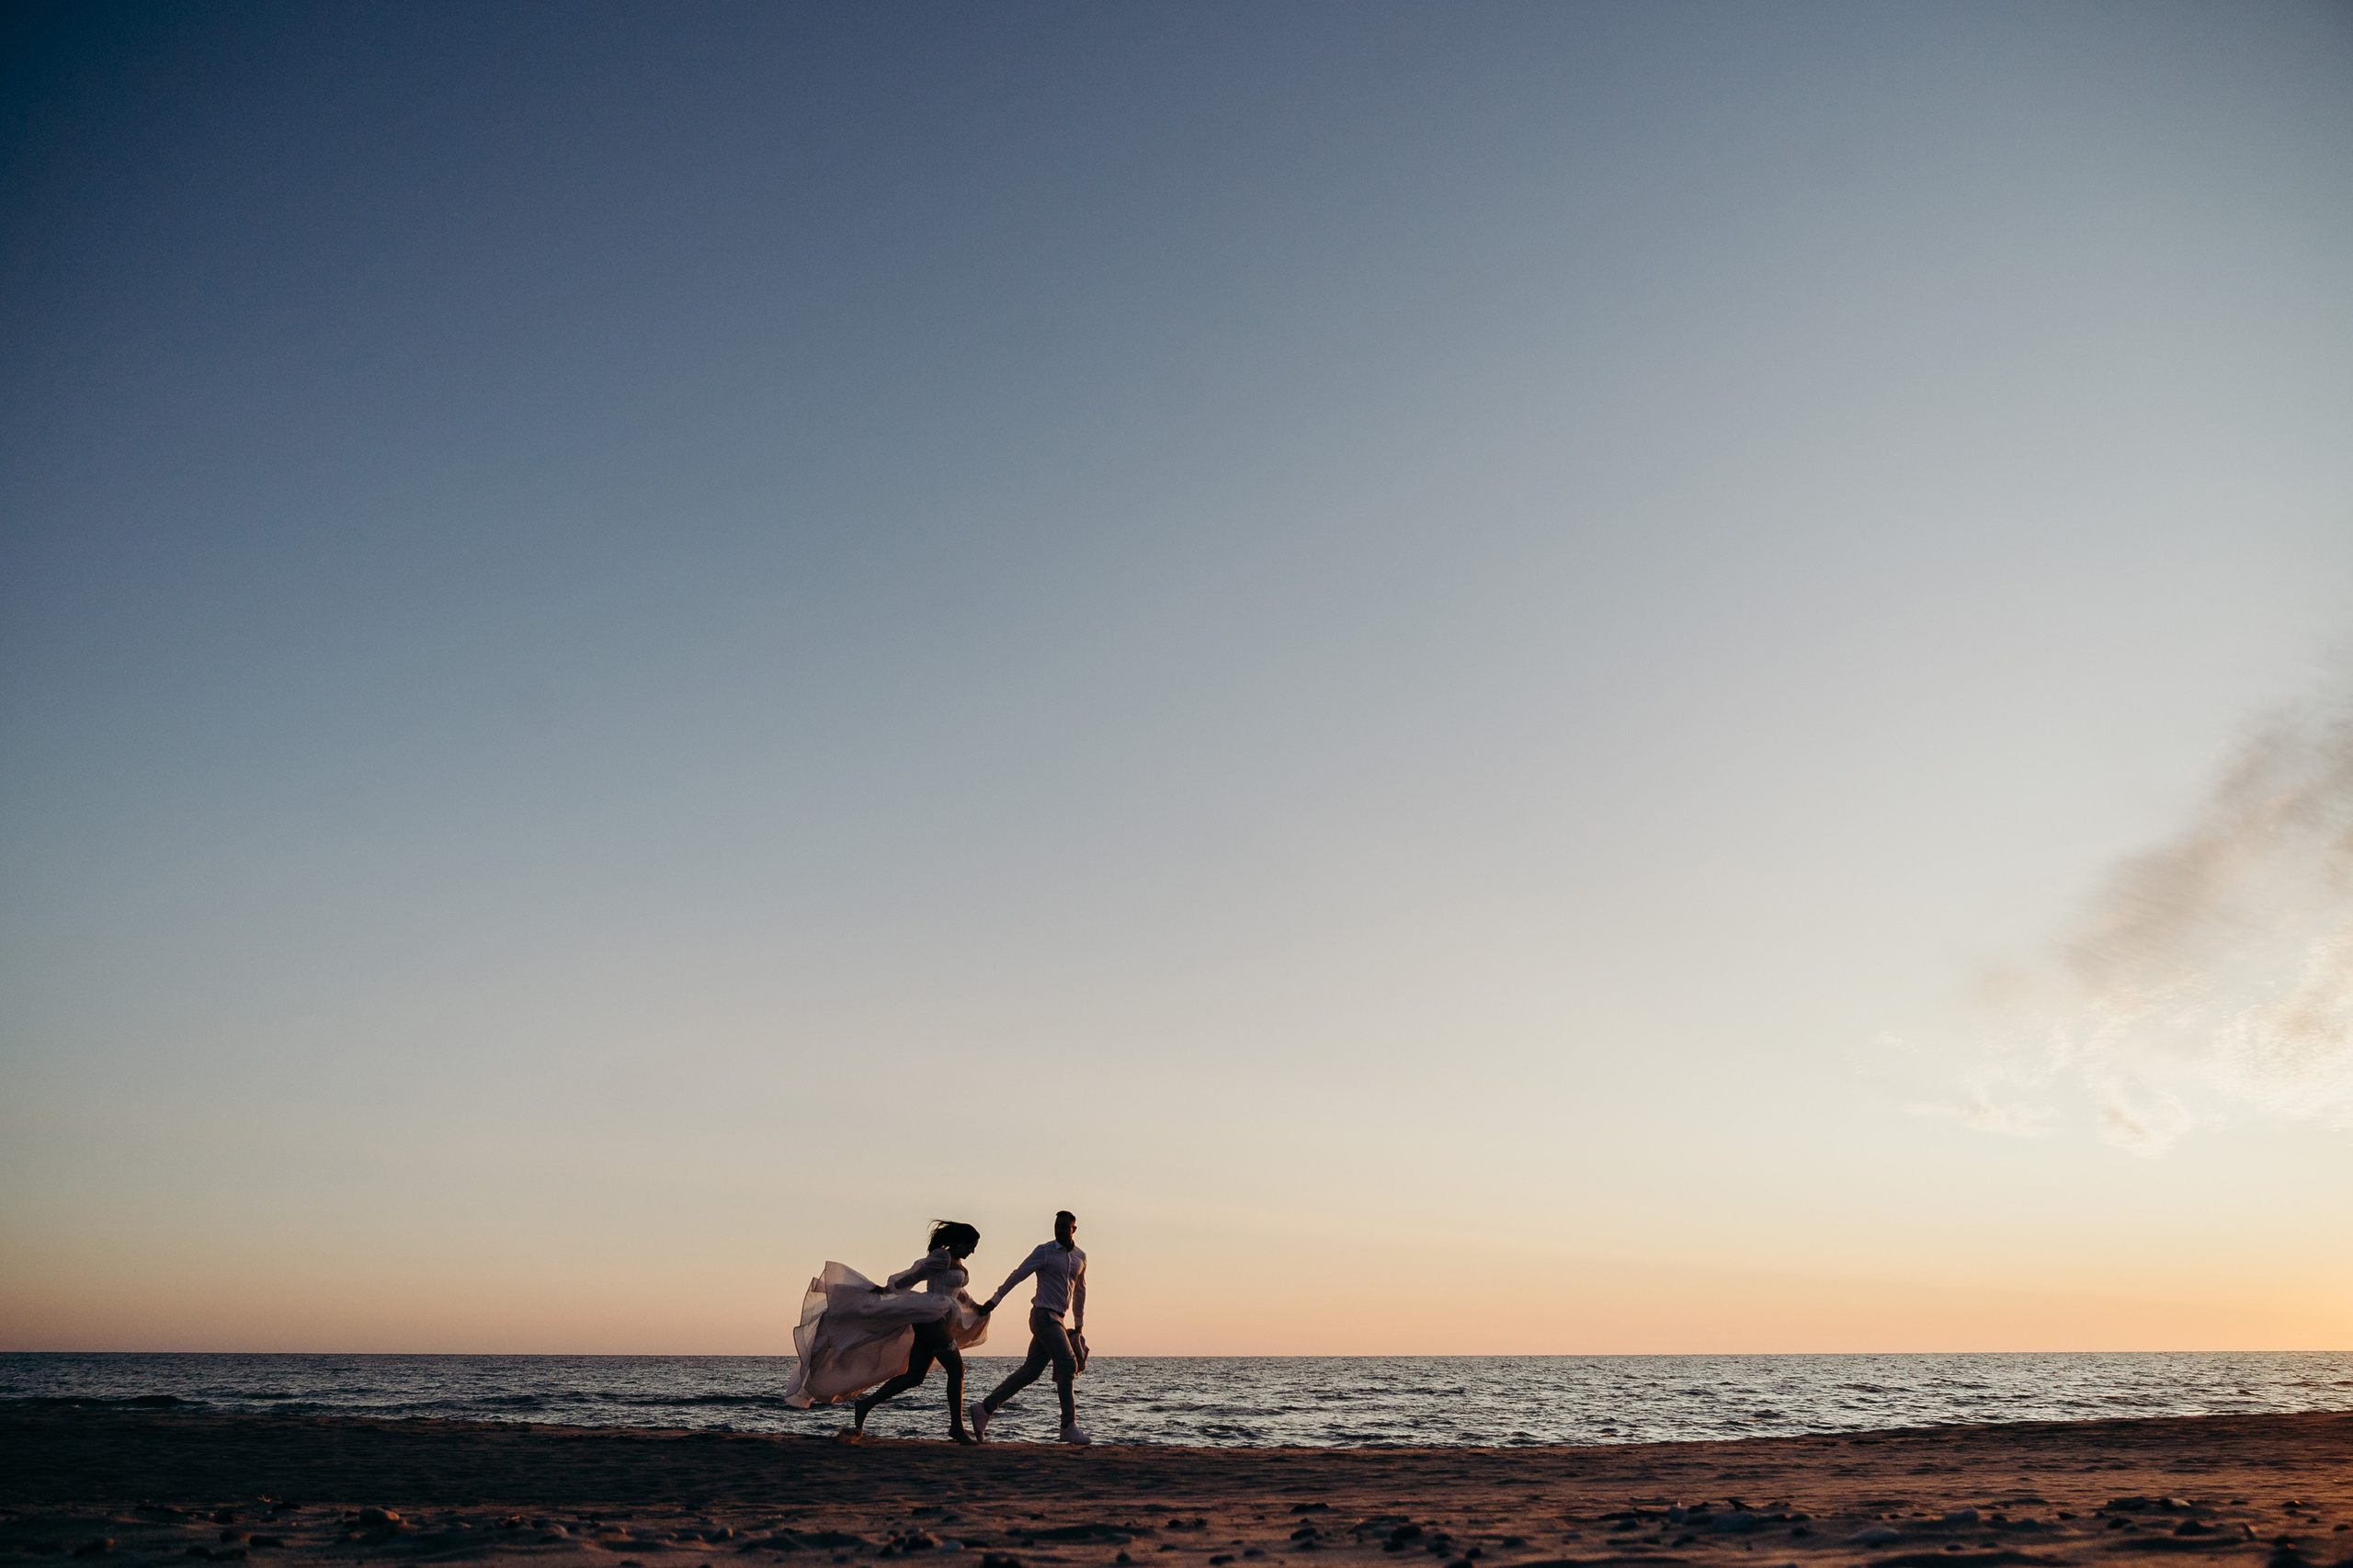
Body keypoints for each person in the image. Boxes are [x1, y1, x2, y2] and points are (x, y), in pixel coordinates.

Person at [782, 1221, 990, 1443]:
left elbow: (956, 1291)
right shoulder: (941, 1257)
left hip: (940, 1315)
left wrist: (975, 1306)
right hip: (930, 1316)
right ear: (959, 1242)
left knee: (914, 1377)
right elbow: (915, 1275)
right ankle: (956, 1428)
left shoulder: (955, 1261)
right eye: (971, 1245)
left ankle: (866, 1404)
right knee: (957, 1369)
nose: (972, 1251)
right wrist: (888, 1289)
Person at [968, 1210, 1089, 1445]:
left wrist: (1079, 1324)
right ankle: (1068, 1425)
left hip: (1060, 1319)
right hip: (1043, 1316)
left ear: (1074, 1229)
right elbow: (1019, 1274)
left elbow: (1081, 1291)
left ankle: (985, 1408)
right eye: (1057, 1226)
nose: (1060, 1230)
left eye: (1065, 1227)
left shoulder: (1081, 1257)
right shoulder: (1044, 1251)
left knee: (1031, 1371)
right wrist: (995, 1300)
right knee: (1067, 1363)